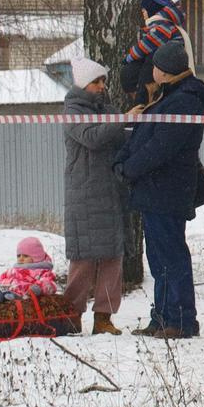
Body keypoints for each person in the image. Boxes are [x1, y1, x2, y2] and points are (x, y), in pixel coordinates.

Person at [114, 37, 204, 339]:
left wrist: (129, 168)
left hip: (167, 189)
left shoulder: (184, 100)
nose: (151, 71)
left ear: (166, 71)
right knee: (159, 259)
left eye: (155, 66)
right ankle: (162, 316)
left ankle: (180, 319)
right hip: (155, 189)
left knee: (171, 256)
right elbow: (142, 137)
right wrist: (123, 160)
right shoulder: (168, 96)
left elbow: (160, 147)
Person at [59, 56, 127, 333]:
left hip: (110, 191)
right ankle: (71, 314)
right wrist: (123, 120)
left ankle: (104, 317)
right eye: (96, 82)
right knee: (83, 258)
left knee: (113, 256)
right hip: (84, 194)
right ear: (83, 84)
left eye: (103, 81)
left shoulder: (108, 110)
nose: (102, 86)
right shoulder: (73, 112)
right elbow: (93, 138)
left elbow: (120, 137)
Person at [120, 0, 187, 105]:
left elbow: (146, 45)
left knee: (147, 72)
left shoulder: (161, 26)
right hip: (164, 60)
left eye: (145, 9)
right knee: (135, 71)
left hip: (167, 61)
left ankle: (142, 103)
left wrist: (130, 57)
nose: (143, 12)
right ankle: (140, 99)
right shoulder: (163, 24)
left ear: (153, 9)